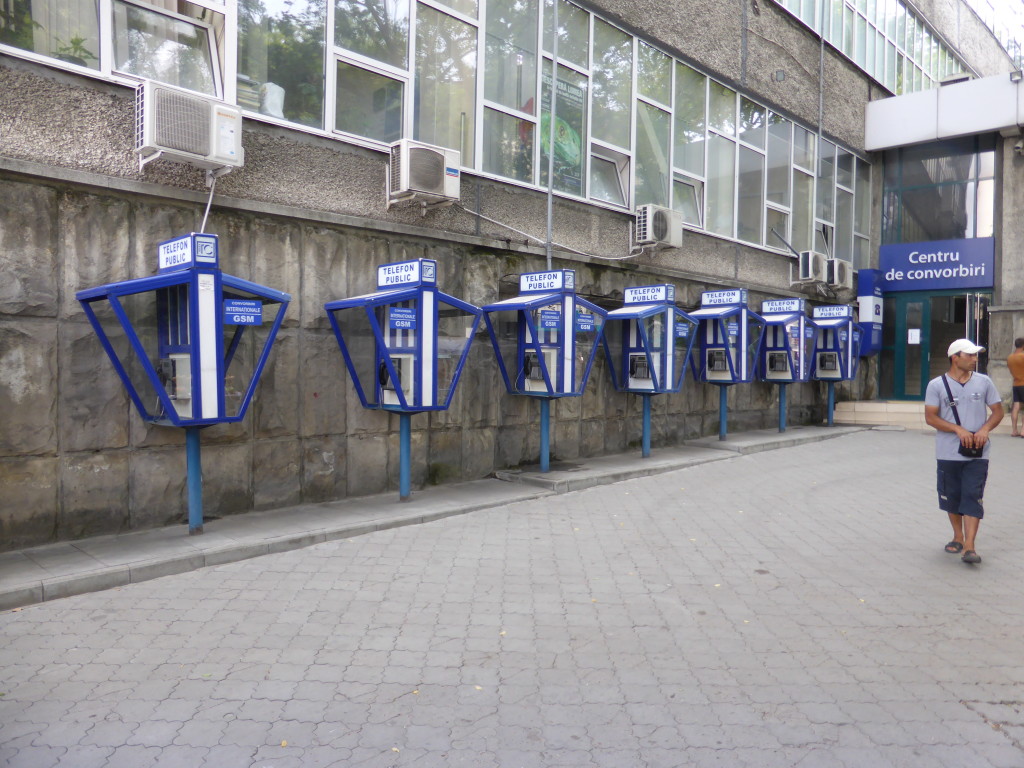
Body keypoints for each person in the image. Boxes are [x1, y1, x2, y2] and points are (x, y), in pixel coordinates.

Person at [924, 339, 1003, 564]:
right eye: (969, 355)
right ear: (955, 357)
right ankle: (958, 536)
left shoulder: (984, 382)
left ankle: (970, 546)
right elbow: (930, 417)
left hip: (978, 452)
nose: (974, 359)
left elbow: (997, 411)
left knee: (972, 495)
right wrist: (957, 429)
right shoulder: (936, 385)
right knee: (953, 497)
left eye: (976, 355)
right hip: (948, 452)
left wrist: (985, 429)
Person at [1007, 337, 1024, 437]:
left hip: (1016, 384)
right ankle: (1023, 430)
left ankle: (1014, 430)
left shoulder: (1010, 357)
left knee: (1016, 406)